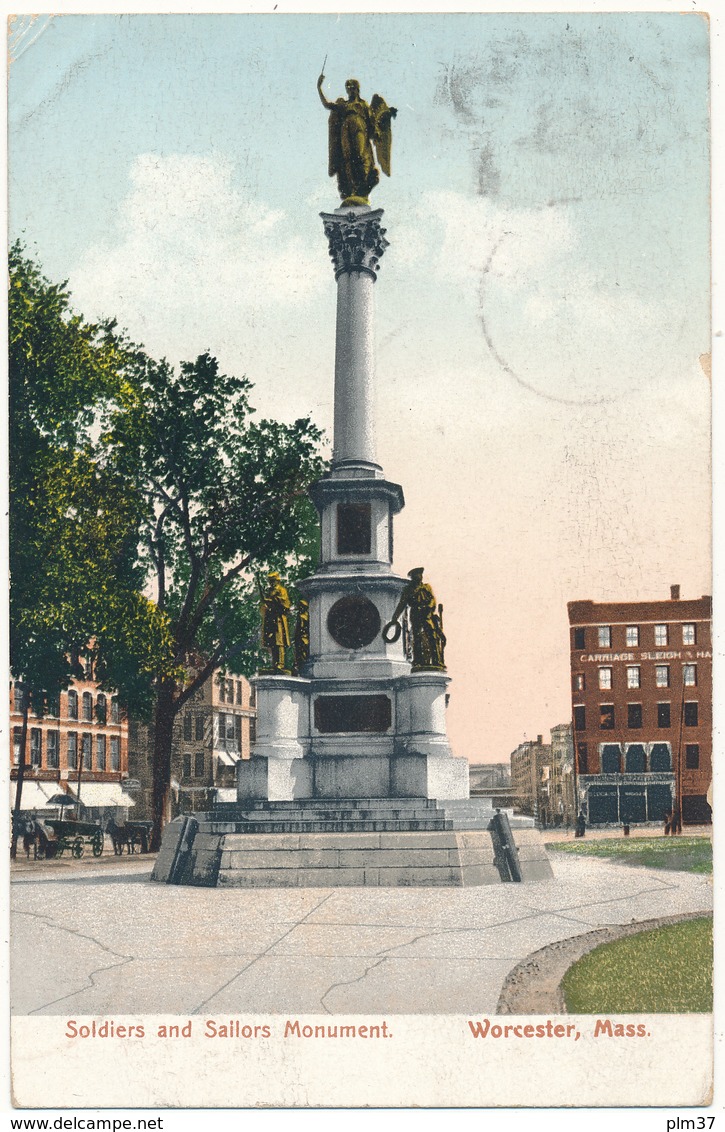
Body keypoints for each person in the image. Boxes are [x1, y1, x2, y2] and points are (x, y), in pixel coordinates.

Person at [317, 74, 397, 204]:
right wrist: (319, 87)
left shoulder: (363, 104)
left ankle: (361, 187)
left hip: (359, 128)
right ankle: (352, 189)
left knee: (360, 155)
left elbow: (372, 122)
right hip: (345, 130)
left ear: (357, 89)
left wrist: (380, 125)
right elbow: (327, 104)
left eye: (353, 88)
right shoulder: (344, 105)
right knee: (347, 158)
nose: (350, 90)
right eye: (348, 88)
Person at [385, 567, 446, 669]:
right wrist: (395, 618)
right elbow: (402, 604)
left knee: (432, 636)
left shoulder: (427, 587)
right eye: (417, 575)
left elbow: (433, 600)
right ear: (413, 577)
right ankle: (418, 661)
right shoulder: (408, 589)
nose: (419, 576)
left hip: (427, 615)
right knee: (417, 638)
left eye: (420, 574)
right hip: (416, 614)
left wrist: (429, 607)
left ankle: (437, 661)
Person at [260, 571, 291, 673]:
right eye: (270, 581)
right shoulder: (269, 591)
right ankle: (274, 664)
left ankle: (280, 664)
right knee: (272, 642)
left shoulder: (281, 590)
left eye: (273, 581)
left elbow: (285, 603)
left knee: (279, 642)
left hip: (278, 620)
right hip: (270, 619)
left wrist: (271, 600)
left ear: (277, 580)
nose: (271, 583)